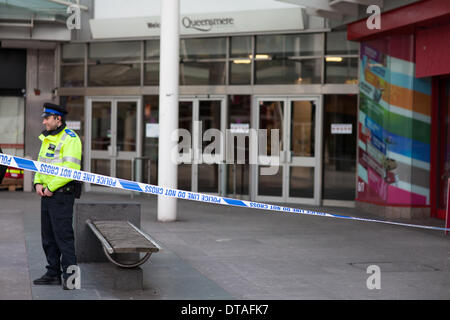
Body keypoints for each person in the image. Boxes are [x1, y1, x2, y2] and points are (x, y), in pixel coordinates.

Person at [32, 102, 82, 290]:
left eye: (47, 118)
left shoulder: (71, 139)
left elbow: (71, 169)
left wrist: (51, 187)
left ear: (58, 119)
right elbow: (39, 164)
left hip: (61, 195)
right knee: (48, 237)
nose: (44, 121)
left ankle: (72, 279)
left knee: (63, 237)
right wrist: (37, 182)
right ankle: (53, 273)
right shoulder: (47, 138)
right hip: (47, 194)